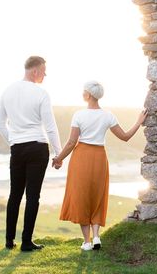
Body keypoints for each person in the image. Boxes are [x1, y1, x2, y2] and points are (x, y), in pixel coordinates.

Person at [52, 80, 147, 251]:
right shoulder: (108, 115)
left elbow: (71, 142)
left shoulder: (79, 115)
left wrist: (59, 159)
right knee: (97, 195)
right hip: (99, 157)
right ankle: (96, 236)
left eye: (83, 91)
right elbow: (125, 137)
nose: (82, 93)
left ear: (88, 94)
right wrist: (138, 122)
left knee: (81, 197)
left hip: (82, 157)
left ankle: (87, 241)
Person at [0, 56, 62, 252]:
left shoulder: (7, 91)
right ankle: (26, 242)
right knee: (33, 196)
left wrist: (13, 140)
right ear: (35, 71)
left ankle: (9, 241)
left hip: (17, 148)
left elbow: (0, 124)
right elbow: (50, 127)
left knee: (14, 195)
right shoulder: (41, 93)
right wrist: (58, 153)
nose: (45, 75)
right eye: (44, 71)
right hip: (37, 147)